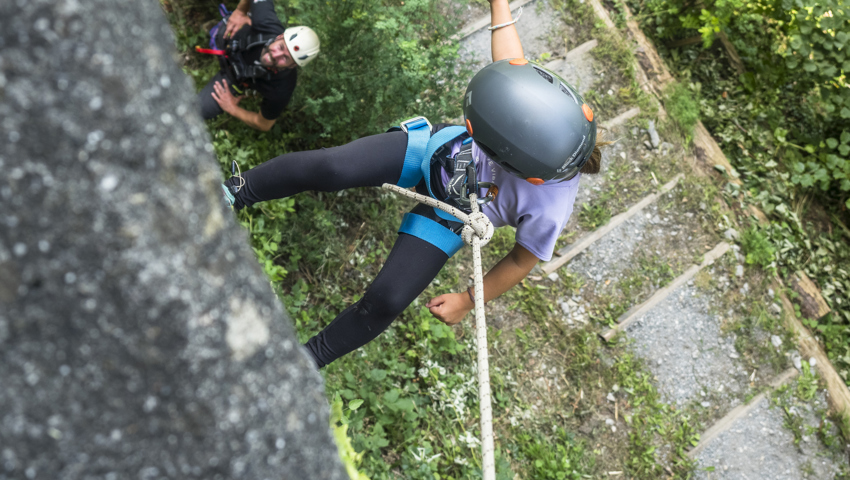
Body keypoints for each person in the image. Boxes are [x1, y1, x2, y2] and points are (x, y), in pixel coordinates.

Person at [221, 0, 605, 368]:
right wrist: (499, 4)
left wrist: (469, 300)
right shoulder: (543, 112)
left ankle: (307, 361)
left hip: (454, 213)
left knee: (387, 299)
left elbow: (524, 259)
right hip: (436, 151)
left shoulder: (552, 208)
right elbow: (508, 66)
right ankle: (237, 191)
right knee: (332, 168)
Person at [197, 0, 320, 131]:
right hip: (231, 38)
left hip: (233, 79)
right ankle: (208, 29)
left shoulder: (282, 87)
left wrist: (232, 108)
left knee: (198, 109)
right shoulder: (267, 23)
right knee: (219, 32)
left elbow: (264, 124)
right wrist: (240, 12)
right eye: (281, 47)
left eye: (285, 58)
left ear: (292, 66)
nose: (276, 55)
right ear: (279, 36)